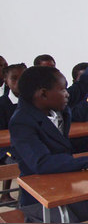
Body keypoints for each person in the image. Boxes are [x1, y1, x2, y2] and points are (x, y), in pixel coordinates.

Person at [9, 28, 88, 222]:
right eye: (62, 90)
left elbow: (83, 83)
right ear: (43, 94)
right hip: (41, 193)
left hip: (67, 181)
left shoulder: (56, 105)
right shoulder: (21, 122)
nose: (68, 94)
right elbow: (42, 164)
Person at [0, 63, 26, 203]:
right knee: (22, 161)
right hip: (6, 148)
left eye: (22, 78)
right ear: (6, 80)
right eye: (14, 79)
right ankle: (22, 201)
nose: (19, 83)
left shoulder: (32, 101)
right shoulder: (2, 104)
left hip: (25, 144)